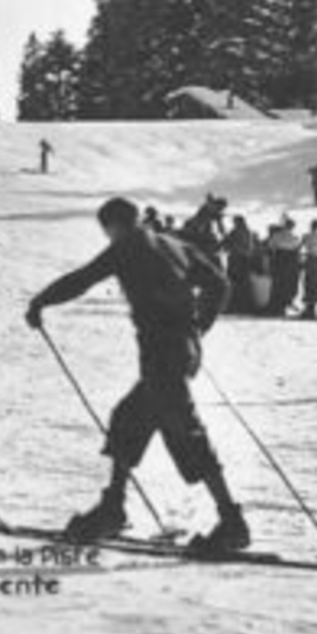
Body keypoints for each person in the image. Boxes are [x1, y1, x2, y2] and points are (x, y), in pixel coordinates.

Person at [25, 198, 246, 553]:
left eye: (107, 231)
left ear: (113, 226)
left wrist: (40, 302)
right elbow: (220, 283)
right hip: (179, 351)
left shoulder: (127, 246)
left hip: (163, 354)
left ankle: (232, 522)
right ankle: (113, 507)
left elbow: (83, 278)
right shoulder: (174, 244)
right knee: (128, 418)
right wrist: (195, 329)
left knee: (186, 432)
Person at [267, 218, 303, 316]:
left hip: (279, 260)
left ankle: (275, 307)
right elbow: (298, 248)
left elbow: (270, 246)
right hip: (290, 262)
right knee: (287, 284)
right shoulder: (295, 237)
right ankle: (283, 306)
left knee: (277, 284)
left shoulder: (276, 236)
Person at [222, 215, 256, 315]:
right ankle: (244, 306)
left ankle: (234, 306)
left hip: (236, 259)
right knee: (244, 284)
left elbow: (227, 243)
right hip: (245, 260)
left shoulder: (236, 232)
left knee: (234, 283)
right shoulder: (247, 232)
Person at [299, 220, 317, 319]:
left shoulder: (306, 236)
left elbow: (300, 246)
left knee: (309, 283)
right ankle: (313, 308)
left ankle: (309, 309)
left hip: (310, 260)